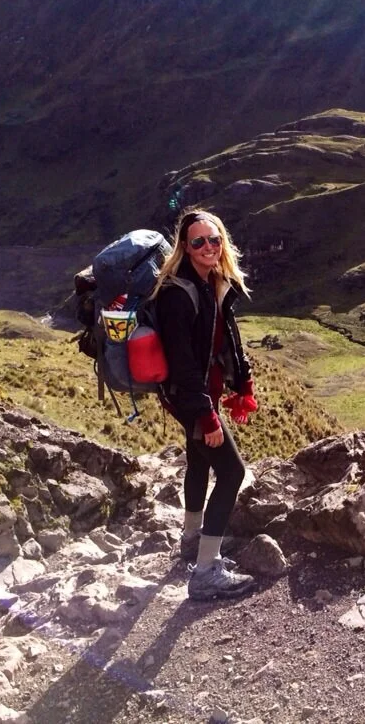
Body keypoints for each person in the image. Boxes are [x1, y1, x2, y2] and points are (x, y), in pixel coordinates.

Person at [153, 209, 259, 600]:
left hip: (201, 395)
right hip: (191, 398)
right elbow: (183, 365)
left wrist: (243, 384)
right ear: (185, 246)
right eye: (198, 242)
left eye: (214, 240)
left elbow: (229, 338)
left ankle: (192, 537)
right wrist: (207, 416)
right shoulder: (177, 296)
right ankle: (206, 571)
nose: (208, 247)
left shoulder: (212, 282)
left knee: (198, 462)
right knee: (232, 473)